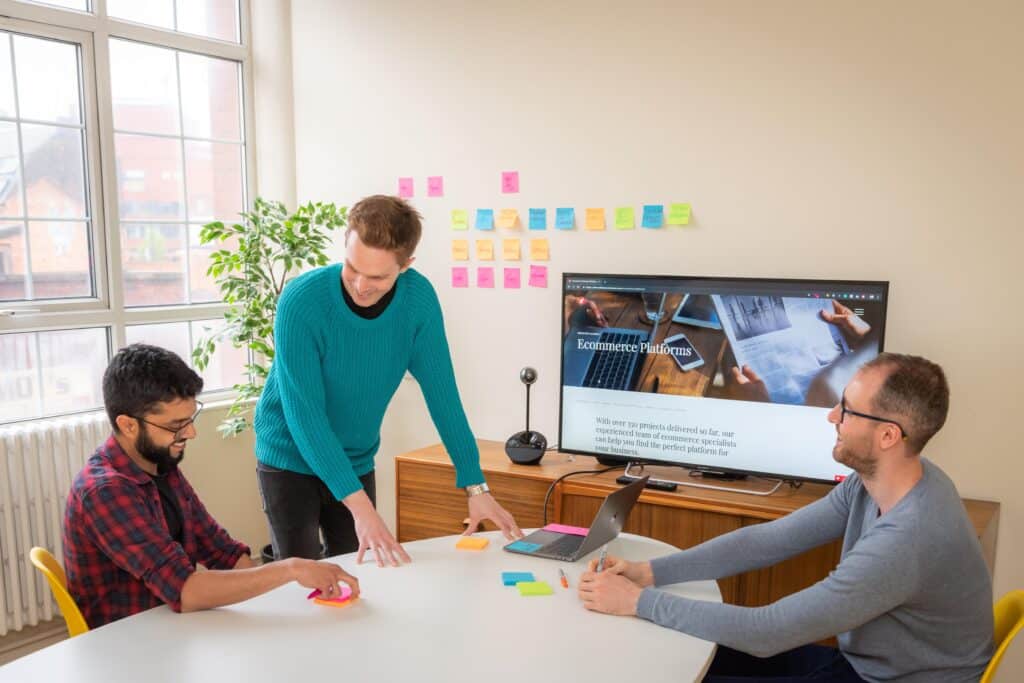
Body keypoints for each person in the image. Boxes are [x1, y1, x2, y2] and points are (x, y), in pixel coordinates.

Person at [577, 353, 993, 682]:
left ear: (888, 436)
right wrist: (648, 573)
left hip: (882, 678)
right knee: (670, 653)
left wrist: (636, 601)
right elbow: (769, 540)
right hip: (868, 664)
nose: (832, 416)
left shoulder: (907, 539)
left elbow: (767, 632)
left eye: (847, 410)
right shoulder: (881, 480)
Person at [255, 194, 522, 567]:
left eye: (379, 276)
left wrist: (475, 486)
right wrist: (362, 508)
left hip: (356, 456)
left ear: (406, 264)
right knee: (302, 578)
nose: (361, 285)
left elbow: (444, 397)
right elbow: (306, 417)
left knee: (360, 574)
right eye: (352, 268)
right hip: (289, 457)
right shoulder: (302, 301)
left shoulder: (418, 301)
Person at [63, 344, 358, 629]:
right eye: (176, 425)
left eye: (190, 419)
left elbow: (220, 550)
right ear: (128, 425)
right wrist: (290, 569)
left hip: (169, 625)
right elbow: (186, 591)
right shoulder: (104, 492)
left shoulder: (160, 463)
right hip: (130, 646)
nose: (190, 432)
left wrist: (287, 598)